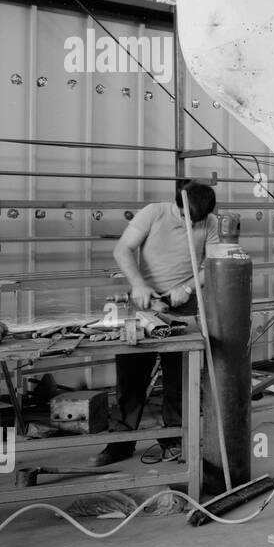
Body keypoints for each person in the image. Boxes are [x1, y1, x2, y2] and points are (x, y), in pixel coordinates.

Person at [89, 179, 219, 466]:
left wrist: (186, 288)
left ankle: (173, 441)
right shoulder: (154, 213)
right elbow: (122, 250)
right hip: (144, 306)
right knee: (131, 378)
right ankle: (121, 443)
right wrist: (138, 285)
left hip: (183, 307)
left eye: (196, 220)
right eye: (186, 217)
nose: (191, 224)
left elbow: (211, 263)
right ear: (178, 204)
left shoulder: (208, 222)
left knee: (180, 381)